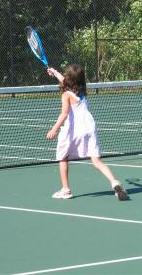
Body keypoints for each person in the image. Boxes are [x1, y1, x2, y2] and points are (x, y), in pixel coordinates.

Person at [46, 65, 128, 201]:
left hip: (74, 130)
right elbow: (65, 81)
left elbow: (64, 114)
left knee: (63, 158)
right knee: (96, 161)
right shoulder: (82, 91)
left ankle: (66, 190)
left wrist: (54, 129)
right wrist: (55, 73)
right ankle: (114, 182)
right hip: (90, 128)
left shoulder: (66, 95)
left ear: (69, 79)